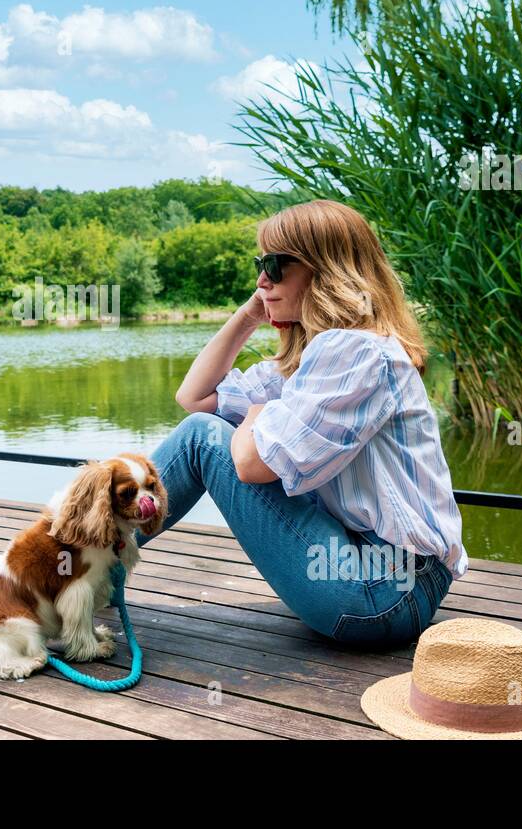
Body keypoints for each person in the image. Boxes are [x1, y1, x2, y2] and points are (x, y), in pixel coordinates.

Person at [137, 199, 467, 648]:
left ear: (325, 271)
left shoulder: (356, 352)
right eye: (260, 265)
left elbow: (251, 465)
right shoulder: (315, 361)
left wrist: (256, 415)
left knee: (203, 439)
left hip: (383, 591)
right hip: (375, 577)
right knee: (203, 428)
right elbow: (194, 397)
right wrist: (252, 313)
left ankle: (69, 563)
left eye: (274, 265)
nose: (262, 280)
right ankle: (76, 559)